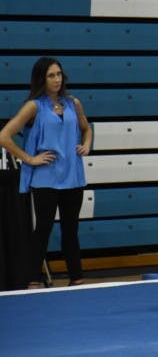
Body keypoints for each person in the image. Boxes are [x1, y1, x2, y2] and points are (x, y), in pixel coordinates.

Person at [0, 57, 92, 287]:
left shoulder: (73, 103)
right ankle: (33, 280)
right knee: (43, 230)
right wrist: (30, 158)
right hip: (46, 179)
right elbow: (4, 136)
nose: (57, 79)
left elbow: (86, 128)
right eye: (51, 75)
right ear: (42, 78)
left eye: (59, 74)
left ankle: (76, 277)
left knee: (71, 230)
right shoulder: (34, 106)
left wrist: (87, 144)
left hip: (73, 176)